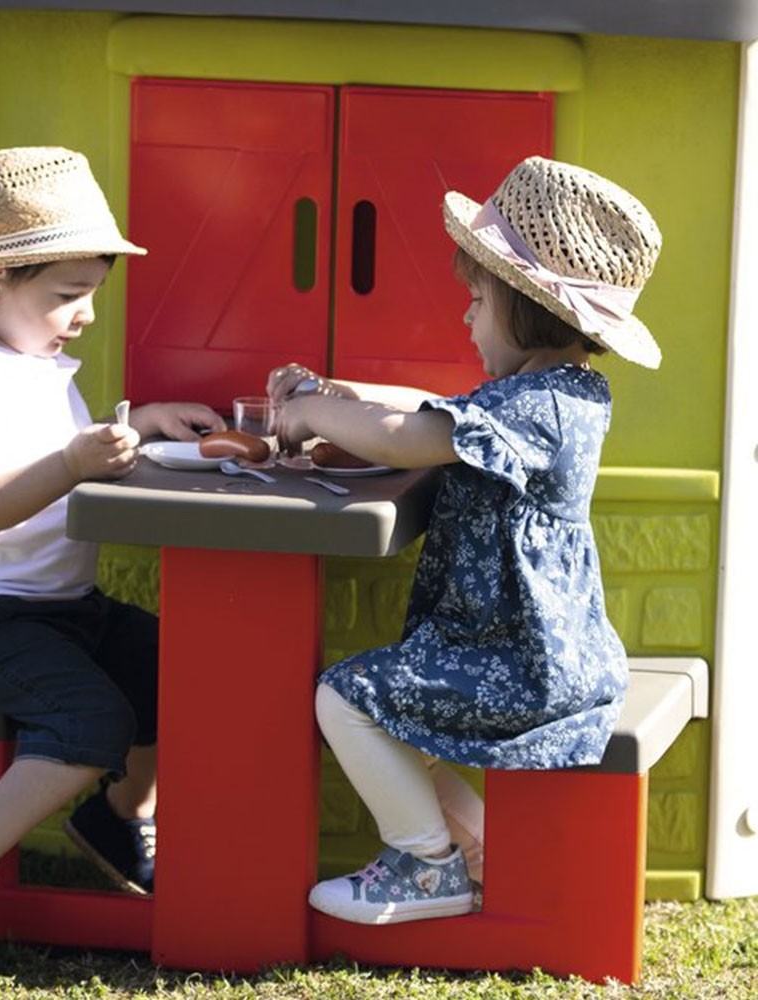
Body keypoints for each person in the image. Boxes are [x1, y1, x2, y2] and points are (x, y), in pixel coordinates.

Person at [267, 155, 662, 926]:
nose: (465, 319)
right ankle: (475, 849)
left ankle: (426, 865)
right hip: (532, 651)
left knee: (346, 697)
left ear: (525, 307)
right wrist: (343, 390)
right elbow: (435, 410)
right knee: (391, 698)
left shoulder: (540, 407)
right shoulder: (553, 390)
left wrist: (314, 413)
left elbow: (415, 436)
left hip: (523, 664)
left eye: (477, 301)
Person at [0, 146, 225, 977]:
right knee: (91, 720)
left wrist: (142, 423)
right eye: (67, 297)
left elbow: (52, 451)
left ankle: (117, 815)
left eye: (89, 295)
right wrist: (74, 465)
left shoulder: (31, 360)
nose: (83, 315)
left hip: (58, 606)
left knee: (178, 669)